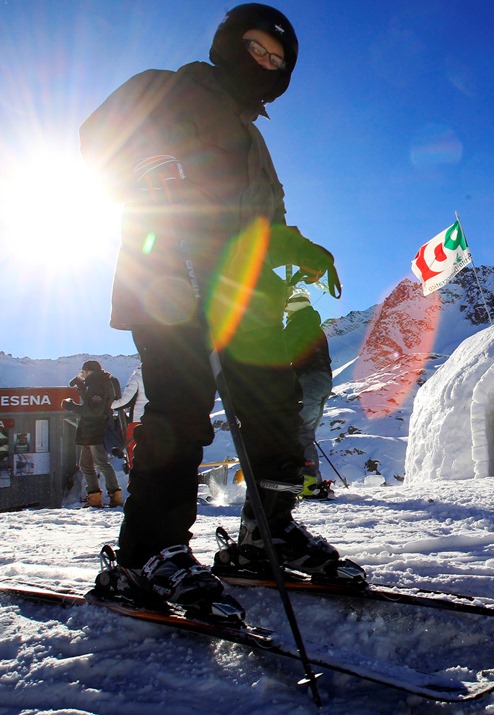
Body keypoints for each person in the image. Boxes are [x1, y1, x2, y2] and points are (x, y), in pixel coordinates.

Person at [80, 4, 343, 620]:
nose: (265, 63)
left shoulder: (254, 141)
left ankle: (264, 537)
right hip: (167, 275)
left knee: (275, 410)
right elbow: (102, 139)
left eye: (277, 61)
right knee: (181, 408)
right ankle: (148, 553)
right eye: (256, 47)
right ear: (229, 43)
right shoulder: (168, 88)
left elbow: (259, 227)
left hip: (239, 293)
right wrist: (144, 166)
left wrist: (293, 244)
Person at [283, 286, 334, 499]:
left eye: (287, 312)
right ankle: (312, 480)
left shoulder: (298, 324)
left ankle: (307, 482)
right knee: (306, 431)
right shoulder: (311, 323)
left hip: (309, 379)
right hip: (322, 379)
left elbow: (281, 350)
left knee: (300, 430)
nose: (286, 315)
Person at [61, 360, 123, 508]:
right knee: (86, 465)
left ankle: (115, 497)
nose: (81, 374)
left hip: (96, 429)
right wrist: (81, 386)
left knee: (101, 463)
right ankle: (95, 498)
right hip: (90, 430)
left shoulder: (98, 384)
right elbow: (91, 404)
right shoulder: (95, 383)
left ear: (89, 371)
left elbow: (94, 411)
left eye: (83, 372)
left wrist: (71, 406)